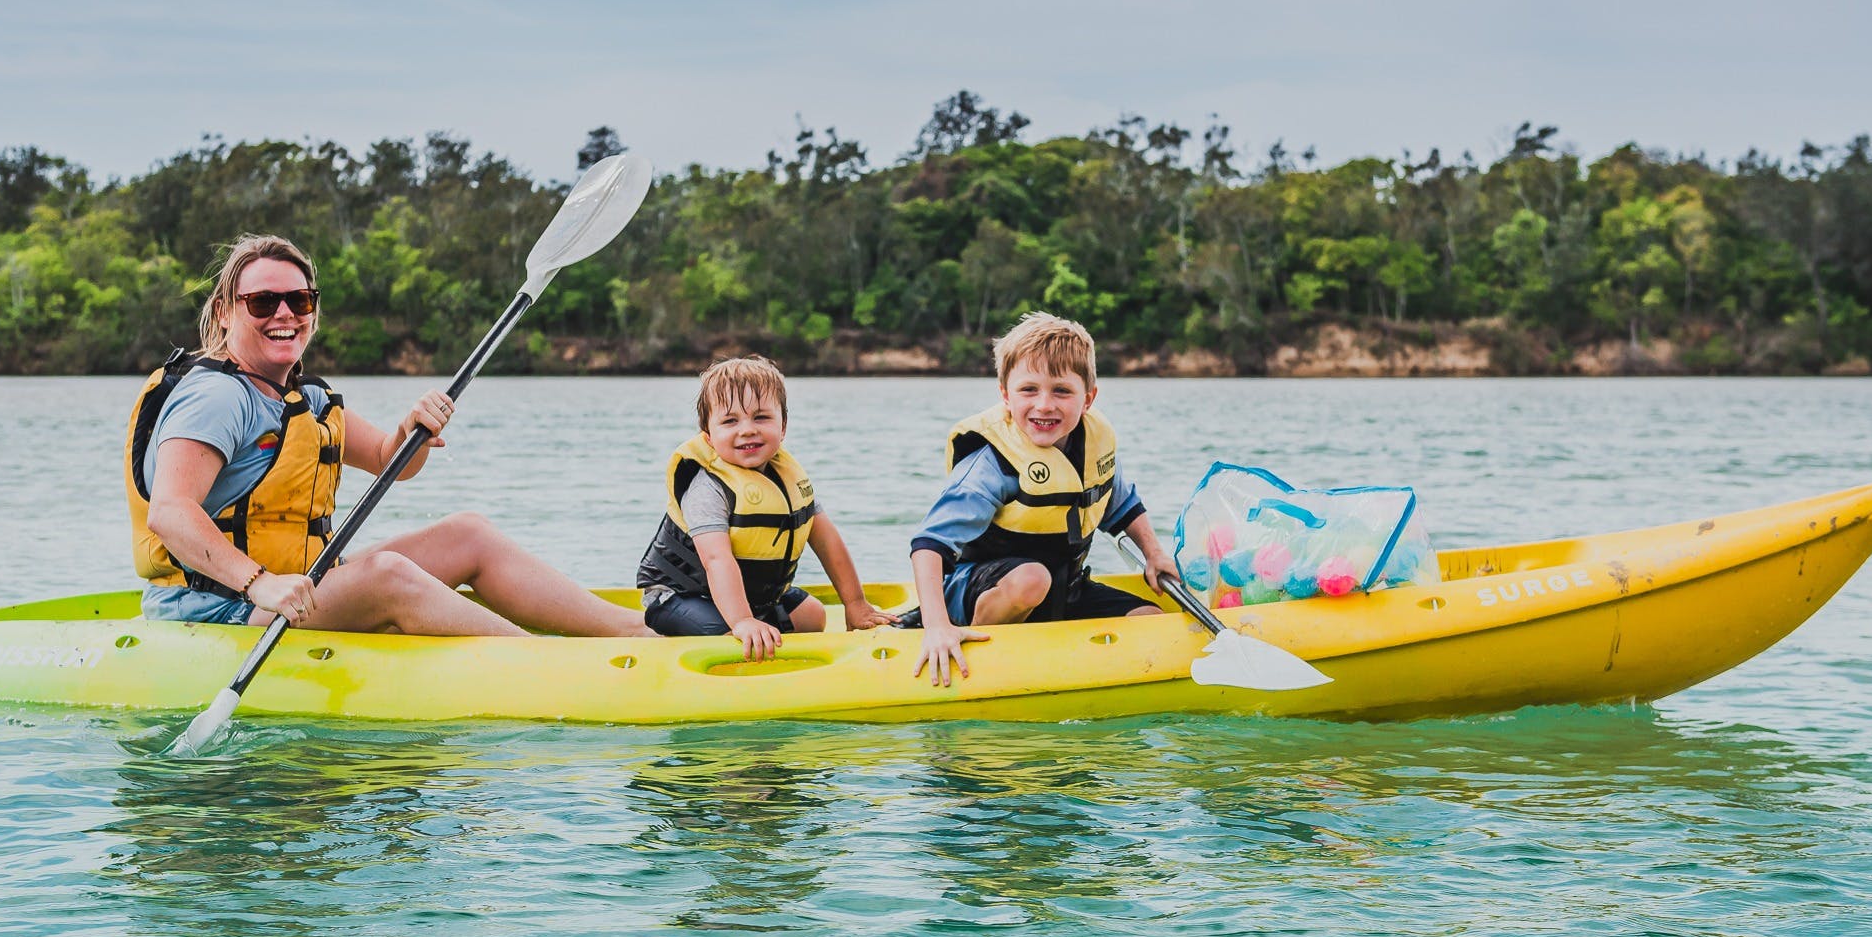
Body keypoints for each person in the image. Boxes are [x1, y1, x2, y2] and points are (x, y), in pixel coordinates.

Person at [124, 234, 645, 638]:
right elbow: (170, 513)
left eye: (299, 301)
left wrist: (408, 430)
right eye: (262, 303)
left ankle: (635, 633)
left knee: (468, 533)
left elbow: (389, 459)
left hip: (298, 589)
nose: (284, 314)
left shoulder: (305, 397)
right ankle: (547, 666)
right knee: (388, 574)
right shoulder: (217, 397)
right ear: (225, 311)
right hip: (220, 608)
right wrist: (261, 584)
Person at [908, 312, 1179, 685]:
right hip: (980, 590)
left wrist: (1155, 554)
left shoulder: (1092, 448)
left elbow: (1122, 503)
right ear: (1006, 395)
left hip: (1065, 590)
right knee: (1031, 578)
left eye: (1062, 391)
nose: (1044, 405)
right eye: (1028, 390)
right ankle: (974, 646)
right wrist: (936, 626)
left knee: (1151, 622)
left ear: (1088, 398)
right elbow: (928, 545)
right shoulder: (991, 464)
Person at [635, 356, 891, 657]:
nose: (747, 430)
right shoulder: (708, 488)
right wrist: (743, 621)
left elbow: (827, 541)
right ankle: (667, 639)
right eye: (730, 421)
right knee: (728, 638)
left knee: (813, 616)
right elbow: (716, 559)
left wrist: (855, 604)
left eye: (761, 417)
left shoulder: (788, 478)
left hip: (754, 597)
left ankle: (754, 623)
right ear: (708, 437)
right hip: (682, 595)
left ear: (783, 427)